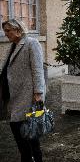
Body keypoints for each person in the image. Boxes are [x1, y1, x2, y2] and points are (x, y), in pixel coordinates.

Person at [0, 19, 45, 162]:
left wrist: (38, 94)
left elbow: (38, 70)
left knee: (30, 134)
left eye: (8, 31)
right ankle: (27, 158)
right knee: (19, 133)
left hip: (27, 97)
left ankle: (35, 158)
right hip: (13, 97)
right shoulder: (12, 46)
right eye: (4, 31)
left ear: (18, 29)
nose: (5, 34)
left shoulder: (31, 43)